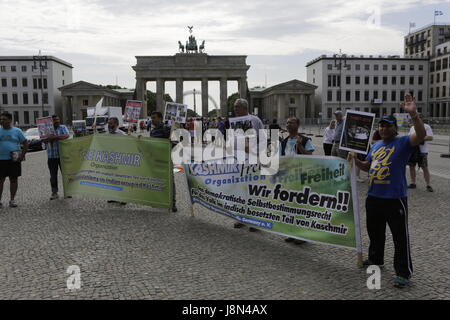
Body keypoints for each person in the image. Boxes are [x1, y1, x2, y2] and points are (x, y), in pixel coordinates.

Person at [348, 93, 425, 288]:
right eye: (381, 125)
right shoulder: (376, 145)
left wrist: (414, 114)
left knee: (400, 236)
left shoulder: (403, 142)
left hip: (395, 198)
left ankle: (403, 272)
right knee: (375, 232)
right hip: (374, 196)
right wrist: (356, 161)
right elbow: (367, 166)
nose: (383, 128)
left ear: (394, 128)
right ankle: (376, 259)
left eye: (387, 125)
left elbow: (421, 135)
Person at [231, 98, 265, 231]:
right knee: (240, 190)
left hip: (252, 158)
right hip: (238, 159)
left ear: (244, 107)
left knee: (253, 190)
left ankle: (255, 221)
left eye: (237, 107)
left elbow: (262, 139)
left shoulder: (255, 120)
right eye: (235, 107)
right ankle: (241, 218)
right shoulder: (234, 122)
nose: (235, 109)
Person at [279, 116, 314, 245]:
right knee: (289, 206)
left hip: (301, 178)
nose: (288, 125)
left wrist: (300, 147)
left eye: (291, 122)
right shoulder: (283, 142)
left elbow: (310, 157)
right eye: (287, 122)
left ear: (297, 125)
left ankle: (303, 234)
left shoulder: (305, 140)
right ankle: (291, 232)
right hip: (288, 178)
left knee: (301, 207)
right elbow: (280, 159)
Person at [150, 111, 177, 212]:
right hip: (156, 159)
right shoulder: (152, 131)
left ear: (160, 119)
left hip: (166, 158)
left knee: (170, 181)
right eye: (152, 118)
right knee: (158, 180)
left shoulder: (167, 129)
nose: (152, 120)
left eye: (154, 118)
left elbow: (175, 143)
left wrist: (172, 142)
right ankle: (161, 200)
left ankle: (173, 203)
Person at [0, 112, 28, 208]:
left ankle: (12, 200)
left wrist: (22, 155)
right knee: (0, 180)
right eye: (1, 119)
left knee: (13, 180)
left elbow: (25, 143)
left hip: (14, 160)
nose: (1, 121)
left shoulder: (17, 131)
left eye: (4, 119)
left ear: (10, 120)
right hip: (1, 160)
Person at [44, 115, 70, 200]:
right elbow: (44, 139)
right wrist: (51, 138)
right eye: (54, 120)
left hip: (63, 155)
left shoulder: (63, 127)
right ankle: (54, 193)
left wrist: (54, 137)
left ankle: (68, 192)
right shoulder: (47, 129)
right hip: (52, 156)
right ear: (51, 121)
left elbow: (66, 136)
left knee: (65, 174)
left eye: (57, 119)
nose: (56, 121)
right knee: (53, 176)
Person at [408, 114, 434, 192]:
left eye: (417, 118)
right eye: (414, 119)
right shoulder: (412, 127)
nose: (415, 120)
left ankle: (428, 184)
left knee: (424, 167)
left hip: (422, 151)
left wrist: (419, 138)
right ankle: (413, 183)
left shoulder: (426, 126)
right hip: (413, 150)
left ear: (421, 119)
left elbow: (430, 137)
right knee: (411, 167)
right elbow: (409, 137)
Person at [105, 117, 127, 205]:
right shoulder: (107, 134)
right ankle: (114, 197)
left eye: (111, 123)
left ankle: (124, 198)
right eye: (108, 123)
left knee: (121, 180)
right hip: (110, 161)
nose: (109, 125)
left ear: (116, 124)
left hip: (120, 161)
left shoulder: (122, 134)